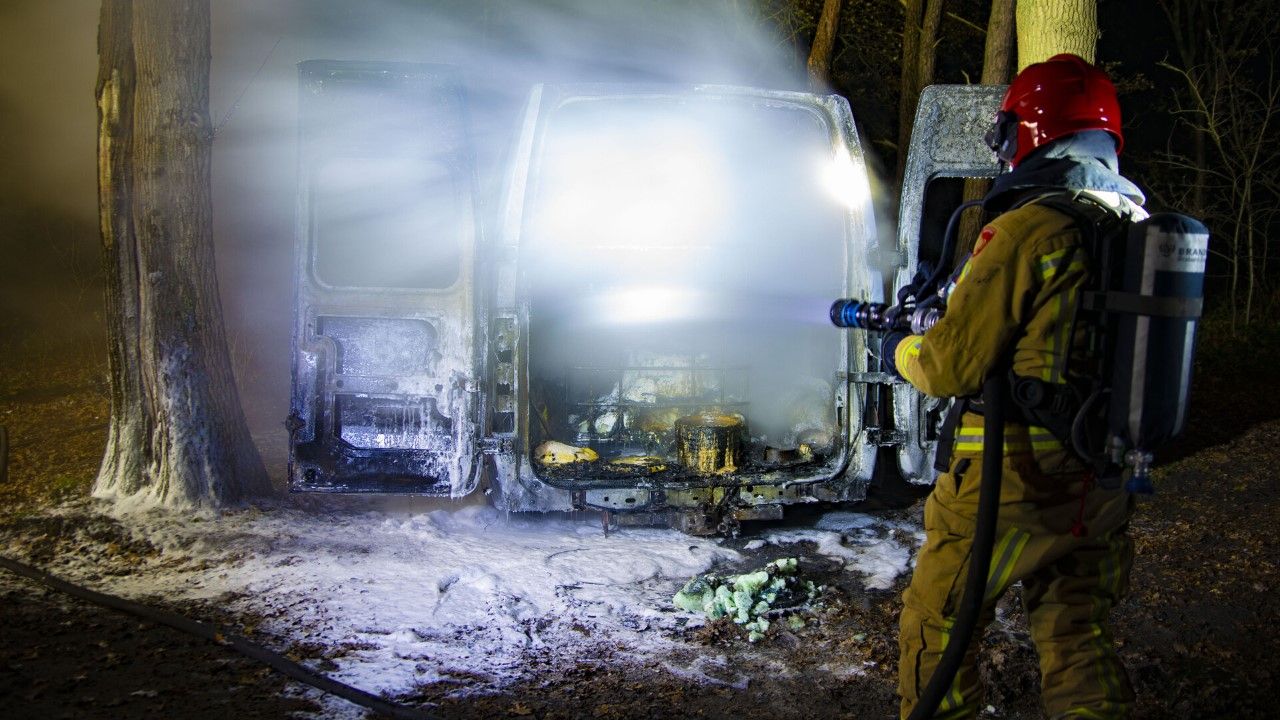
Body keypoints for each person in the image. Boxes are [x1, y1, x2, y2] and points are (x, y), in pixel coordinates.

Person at [885, 54, 1146, 720]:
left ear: (1029, 133)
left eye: (1004, 139)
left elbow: (949, 368)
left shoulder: (1030, 230)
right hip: (1103, 477)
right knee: (1078, 637)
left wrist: (904, 347)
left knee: (936, 627)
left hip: (1013, 483)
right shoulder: (1136, 232)